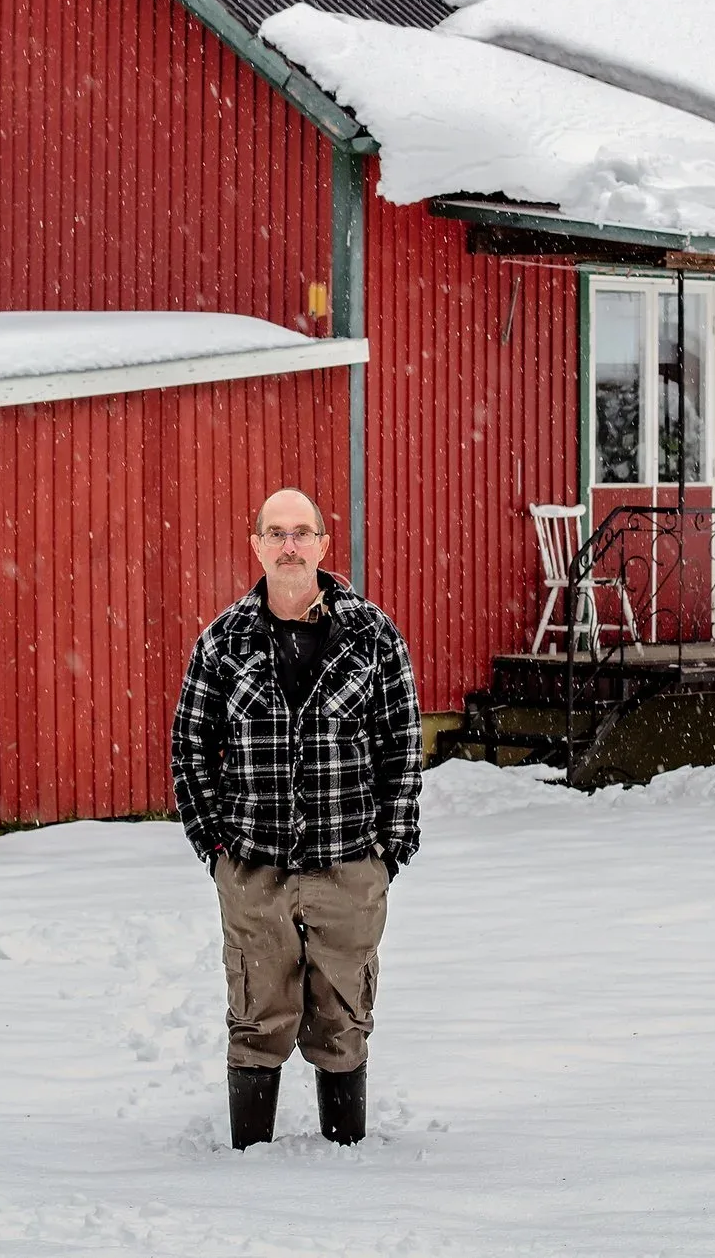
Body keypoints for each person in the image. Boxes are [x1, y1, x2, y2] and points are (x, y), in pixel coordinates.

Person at [170, 486, 423, 1149]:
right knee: (258, 1012)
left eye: (301, 532)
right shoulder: (225, 640)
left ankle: (347, 1157)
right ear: (256, 545)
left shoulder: (371, 636)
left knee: (343, 1015)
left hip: (349, 862)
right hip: (254, 865)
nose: (289, 545)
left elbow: (402, 744)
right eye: (276, 533)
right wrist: (215, 843)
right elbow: (190, 743)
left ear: (322, 545)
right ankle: (249, 1159)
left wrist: (389, 849)